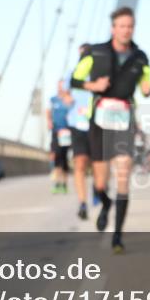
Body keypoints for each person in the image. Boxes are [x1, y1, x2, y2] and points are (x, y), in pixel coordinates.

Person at [70, 6, 150, 253]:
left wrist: (147, 87)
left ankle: (118, 236)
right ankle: (105, 204)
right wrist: (93, 84)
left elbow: (148, 80)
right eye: (122, 25)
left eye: (130, 26)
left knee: (124, 172)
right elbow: (74, 79)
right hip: (100, 121)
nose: (126, 30)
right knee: (100, 181)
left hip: (125, 119)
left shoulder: (140, 57)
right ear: (113, 28)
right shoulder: (95, 52)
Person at [66, 44, 94, 219]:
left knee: (96, 165)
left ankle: (100, 189)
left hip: (96, 122)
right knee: (80, 162)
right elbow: (64, 92)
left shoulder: (99, 73)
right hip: (77, 123)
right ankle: (83, 202)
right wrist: (67, 98)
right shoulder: (72, 73)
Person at [46, 79, 73, 195]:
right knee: (56, 156)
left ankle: (64, 184)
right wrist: (49, 121)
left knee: (64, 158)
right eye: (59, 86)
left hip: (67, 133)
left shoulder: (70, 100)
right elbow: (48, 111)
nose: (60, 88)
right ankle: (57, 183)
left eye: (62, 86)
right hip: (56, 132)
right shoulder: (53, 100)